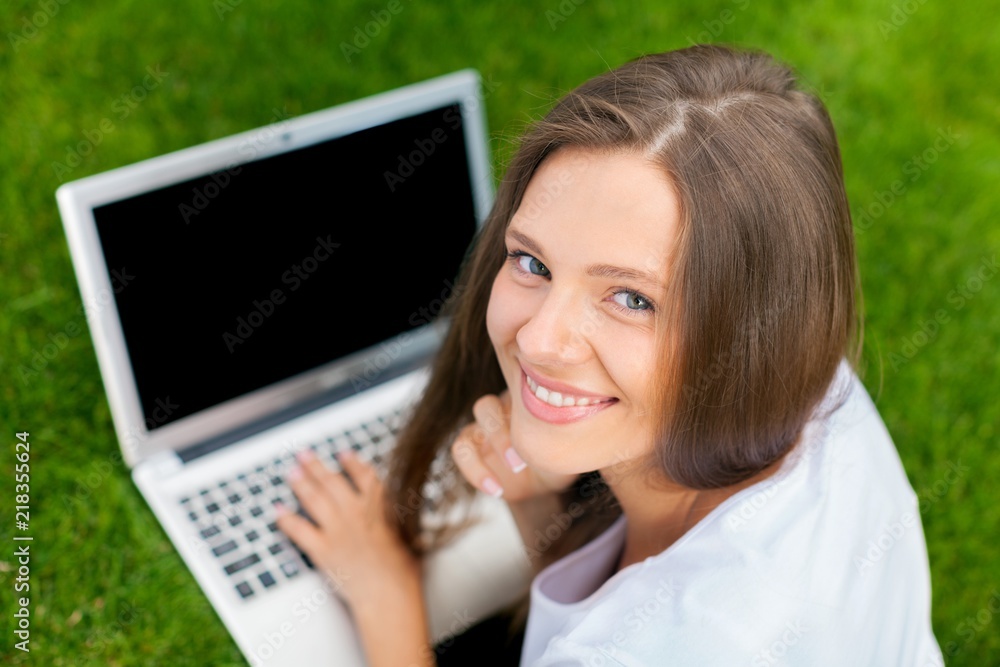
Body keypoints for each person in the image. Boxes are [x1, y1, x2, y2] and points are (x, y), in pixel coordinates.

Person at [276, 44, 944, 665]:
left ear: (754, 332)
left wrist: (385, 594)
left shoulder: (669, 645)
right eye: (532, 260)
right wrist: (539, 504)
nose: (539, 339)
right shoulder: (818, 382)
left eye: (631, 298)